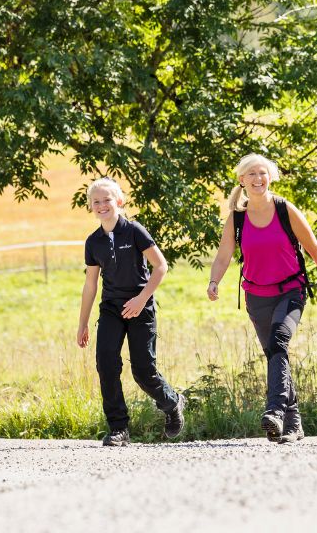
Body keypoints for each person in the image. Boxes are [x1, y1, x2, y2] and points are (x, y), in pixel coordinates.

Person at [207, 154, 317, 443]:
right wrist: (214, 280)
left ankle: (275, 411)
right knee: (275, 354)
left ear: (271, 177)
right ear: (242, 180)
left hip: (290, 291)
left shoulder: (284, 209)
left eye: (263, 173)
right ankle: (293, 424)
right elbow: (223, 255)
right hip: (256, 295)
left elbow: (314, 249)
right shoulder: (237, 218)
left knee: (279, 340)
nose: (258, 179)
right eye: (251, 174)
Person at [77, 177, 185, 446]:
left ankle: (172, 403)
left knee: (143, 370)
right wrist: (83, 324)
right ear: (91, 206)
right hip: (111, 308)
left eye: (107, 200)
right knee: (106, 363)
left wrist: (141, 299)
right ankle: (118, 428)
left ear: (119, 201)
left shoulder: (135, 231)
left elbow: (160, 267)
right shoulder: (93, 242)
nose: (102, 205)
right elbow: (91, 284)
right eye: (96, 202)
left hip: (140, 306)